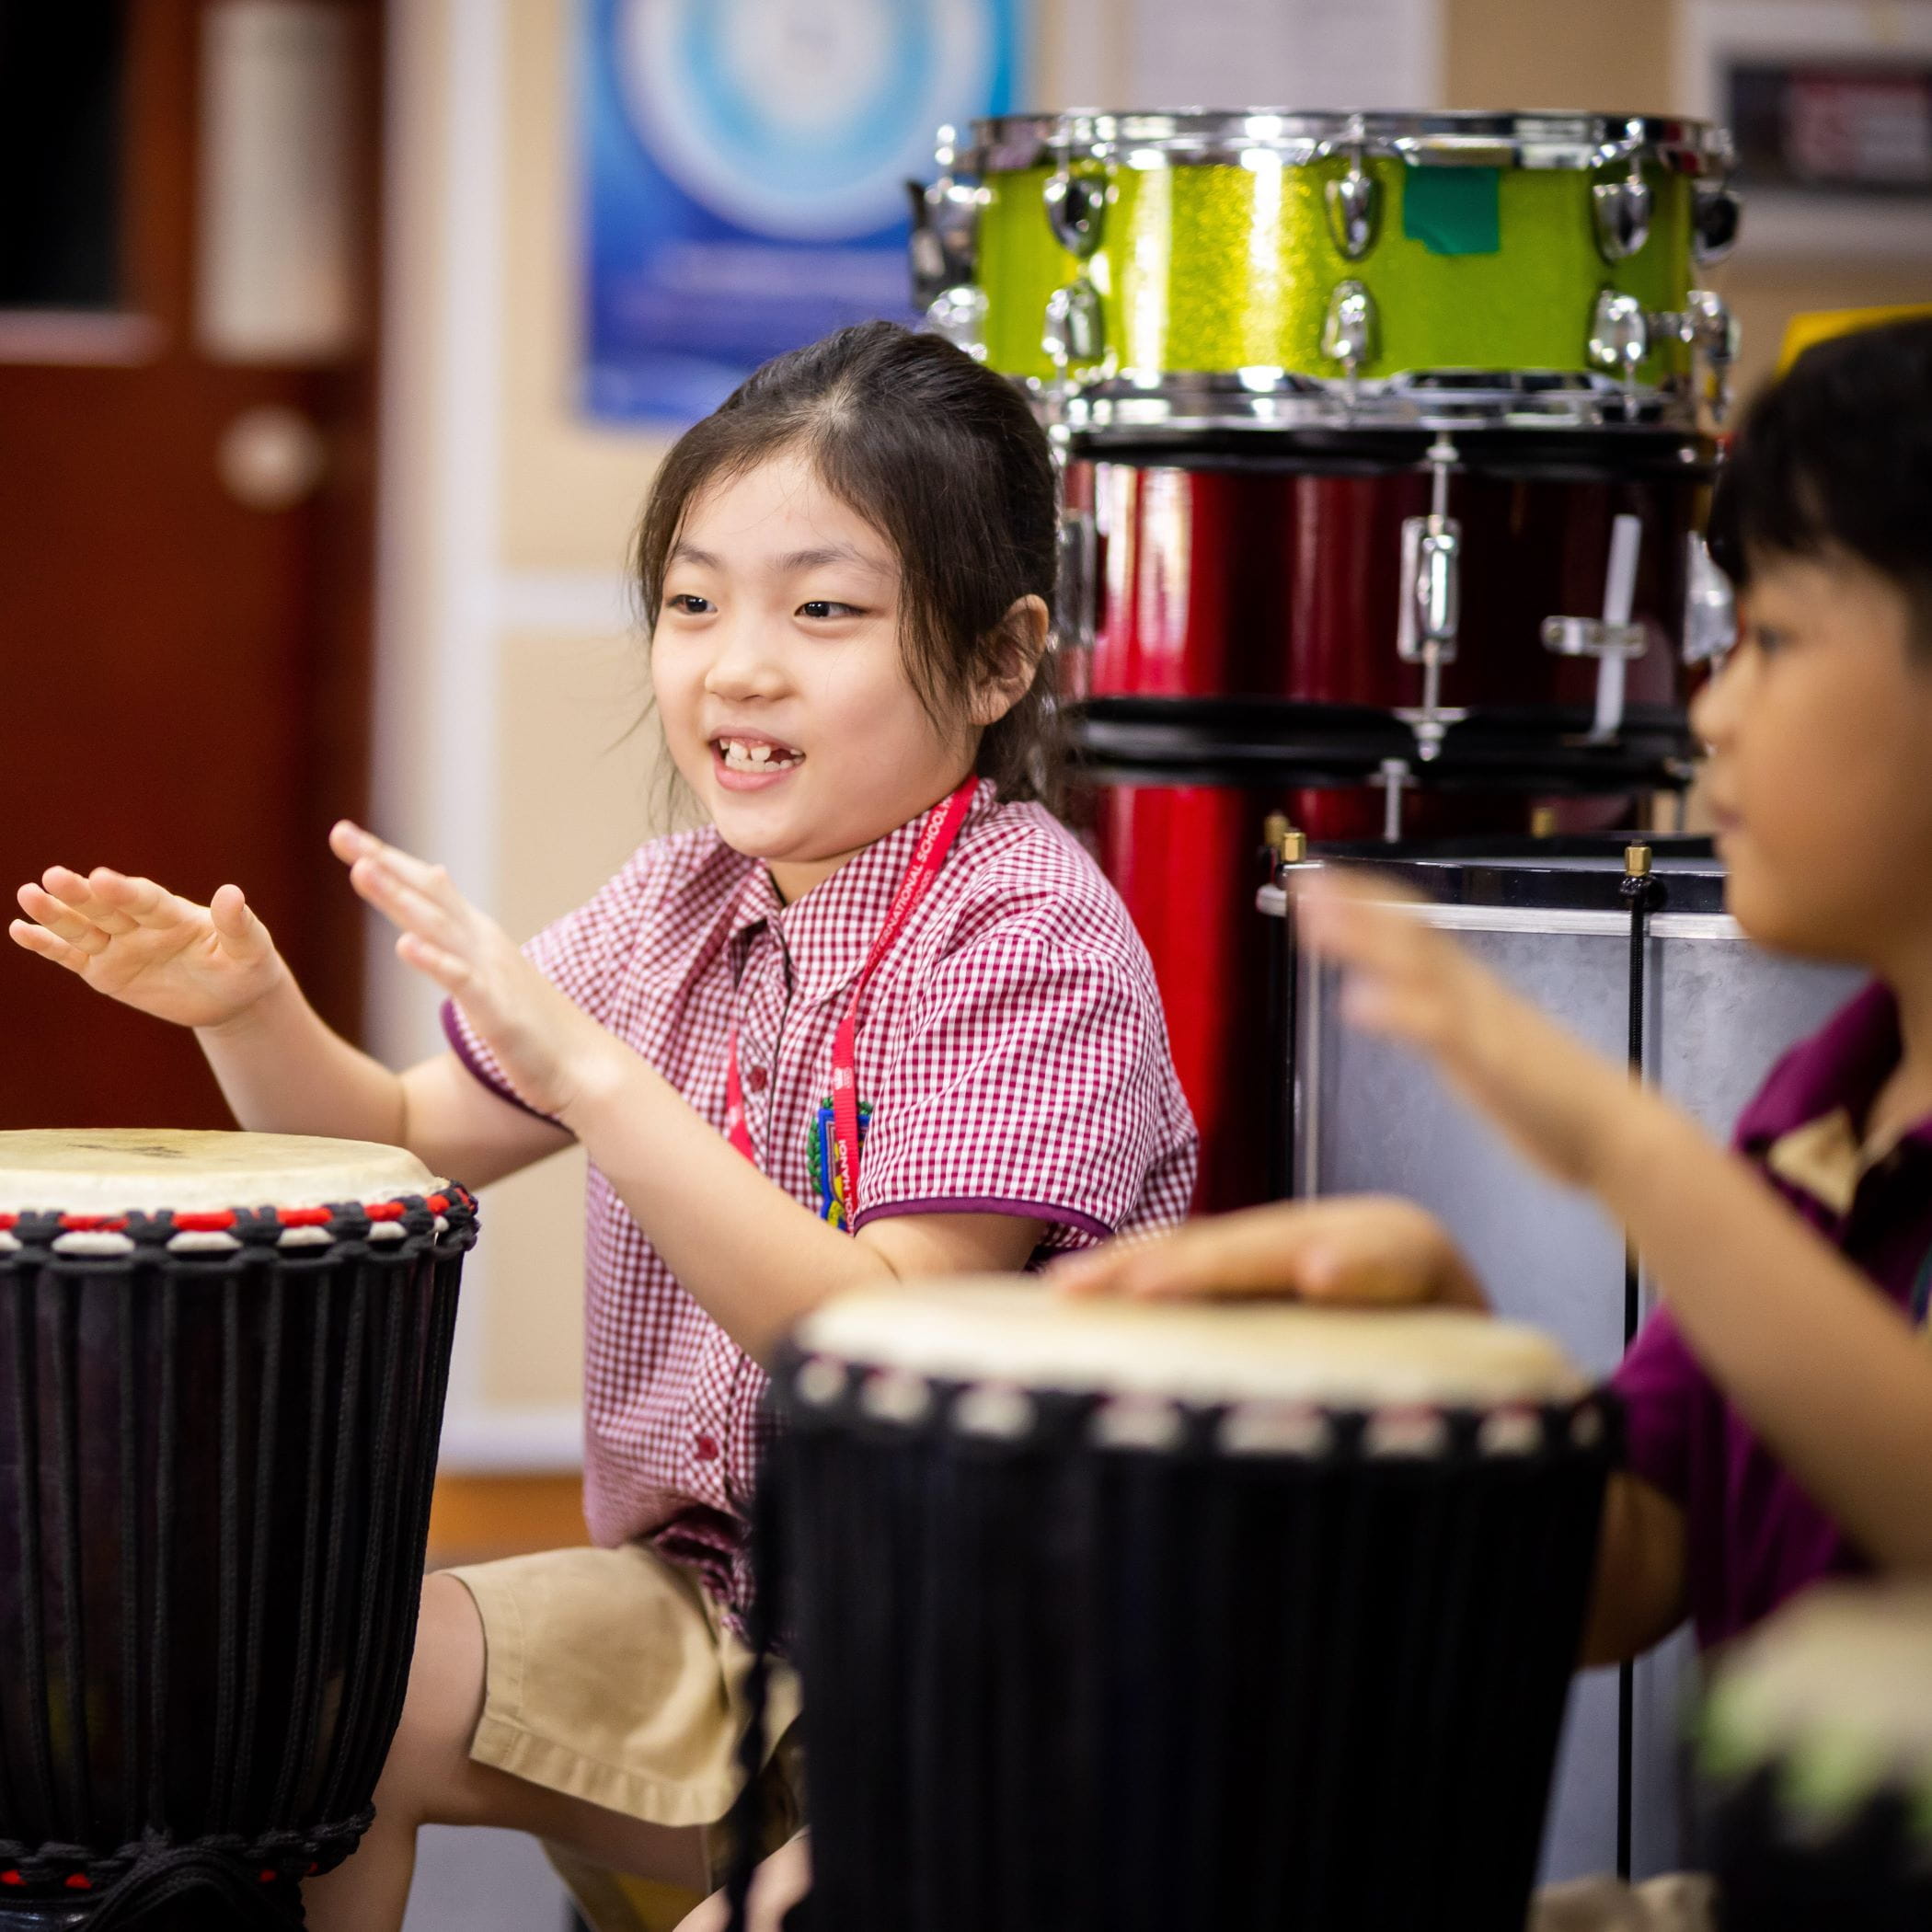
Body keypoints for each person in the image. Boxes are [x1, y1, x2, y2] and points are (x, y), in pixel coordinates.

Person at [11, 320, 1197, 1932]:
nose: (738, 663)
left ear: (999, 661)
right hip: (714, 1610)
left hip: (992, 1664)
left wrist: (597, 1082)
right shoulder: (673, 907)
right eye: (695, 602)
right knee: (340, 1701)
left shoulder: (1030, 933)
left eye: (825, 610)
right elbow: (403, 1132)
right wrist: (247, 1011)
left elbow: (897, 1335)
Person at [1059, 316, 1932, 1670]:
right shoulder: (1827, 1104)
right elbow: (1627, 1566)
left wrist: (1620, 1144)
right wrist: (1436, 1360)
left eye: (1772, 637)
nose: (1711, 712)